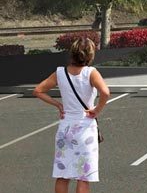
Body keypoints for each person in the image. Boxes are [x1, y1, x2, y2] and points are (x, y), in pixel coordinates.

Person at [33, 36, 111, 192]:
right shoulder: (91, 72)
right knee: (83, 176)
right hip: (85, 128)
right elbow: (105, 92)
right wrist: (96, 110)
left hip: (66, 128)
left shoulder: (60, 72)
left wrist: (58, 105)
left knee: (63, 174)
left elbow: (38, 91)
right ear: (90, 54)